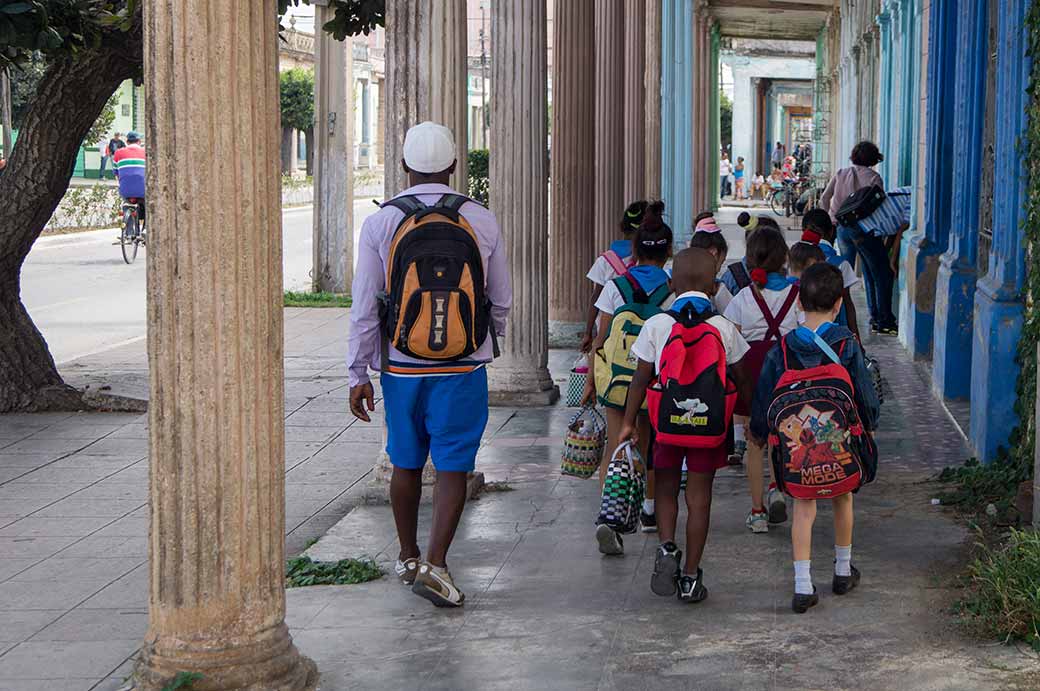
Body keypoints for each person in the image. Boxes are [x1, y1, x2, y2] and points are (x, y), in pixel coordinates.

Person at [346, 121, 512, 608]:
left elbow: (363, 305)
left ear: (403, 166)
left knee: (405, 459)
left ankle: (408, 554)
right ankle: (438, 564)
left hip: (401, 364)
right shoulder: (480, 219)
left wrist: (358, 372)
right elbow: (499, 298)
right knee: (455, 463)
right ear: (454, 165)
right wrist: (482, 338)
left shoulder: (381, 222)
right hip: (463, 365)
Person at [620, 248, 751, 603]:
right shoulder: (723, 328)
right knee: (699, 498)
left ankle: (666, 548)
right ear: (713, 285)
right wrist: (753, 418)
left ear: (673, 283)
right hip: (708, 429)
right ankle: (691, 577)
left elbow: (640, 378)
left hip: (667, 426)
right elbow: (742, 378)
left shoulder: (658, 325)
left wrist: (629, 422)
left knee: (664, 488)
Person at [750, 262, 880, 613]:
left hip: (797, 451)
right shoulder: (847, 344)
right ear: (838, 304)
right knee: (843, 499)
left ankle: (803, 584)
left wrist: (760, 432)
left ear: (798, 304)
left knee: (803, 508)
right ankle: (841, 569)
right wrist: (869, 424)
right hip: (839, 444)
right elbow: (864, 395)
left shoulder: (784, 347)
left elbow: (764, 395)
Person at [583, 201, 674, 552]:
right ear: (668, 251)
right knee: (648, 445)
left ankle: (610, 517)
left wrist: (591, 382)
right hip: (652, 381)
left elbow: (602, 340)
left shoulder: (615, 286)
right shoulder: (672, 292)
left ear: (634, 249)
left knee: (615, 445)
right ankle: (649, 510)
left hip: (615, 378)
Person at [723, 226, 800, 533]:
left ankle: (757, 513)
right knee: (783, 435)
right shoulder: (796, 293)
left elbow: (732, 340)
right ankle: (777, 488)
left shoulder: (743, 296)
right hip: (787, 371)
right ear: (784, 257)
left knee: (755, 442)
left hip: (752, 374)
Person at [819, 141, 897, 335]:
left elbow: (824, 198)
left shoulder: (841, 174)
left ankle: (836, 313)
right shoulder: (874, 178)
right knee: (874, 272)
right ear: (873, 158)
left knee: (842, 276)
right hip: (864, 230)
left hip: (841, 228)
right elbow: (878, 208)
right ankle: (878, 317)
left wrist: (830, 218)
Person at [579, 200, 648, 353]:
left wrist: (588, 333)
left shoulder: (606, 260)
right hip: (639, 327)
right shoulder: (646, 259)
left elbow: (595, 297)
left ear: (622, 227)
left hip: (607, 329)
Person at [801, 209, 861, 340]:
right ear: (831, 231)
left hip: (804, 332)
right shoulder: (841, 264)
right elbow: (848, 303)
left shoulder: (796, 261)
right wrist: (856, 338)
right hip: (836, 335)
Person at [688, 217, 733, 314]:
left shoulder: (678, 284)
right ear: (714, 253)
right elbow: (733, 318)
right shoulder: (718, 288)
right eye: (721, 262)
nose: (719, 268)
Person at [112, 131, 146, 230]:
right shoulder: (145, 152)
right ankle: (146, 229)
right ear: (139, 141)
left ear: (127, 142)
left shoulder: (118, 152)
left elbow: (116, 172)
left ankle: (129, 233)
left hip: (125, 189)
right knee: (148, 206)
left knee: (127, 203)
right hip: (142, 189)